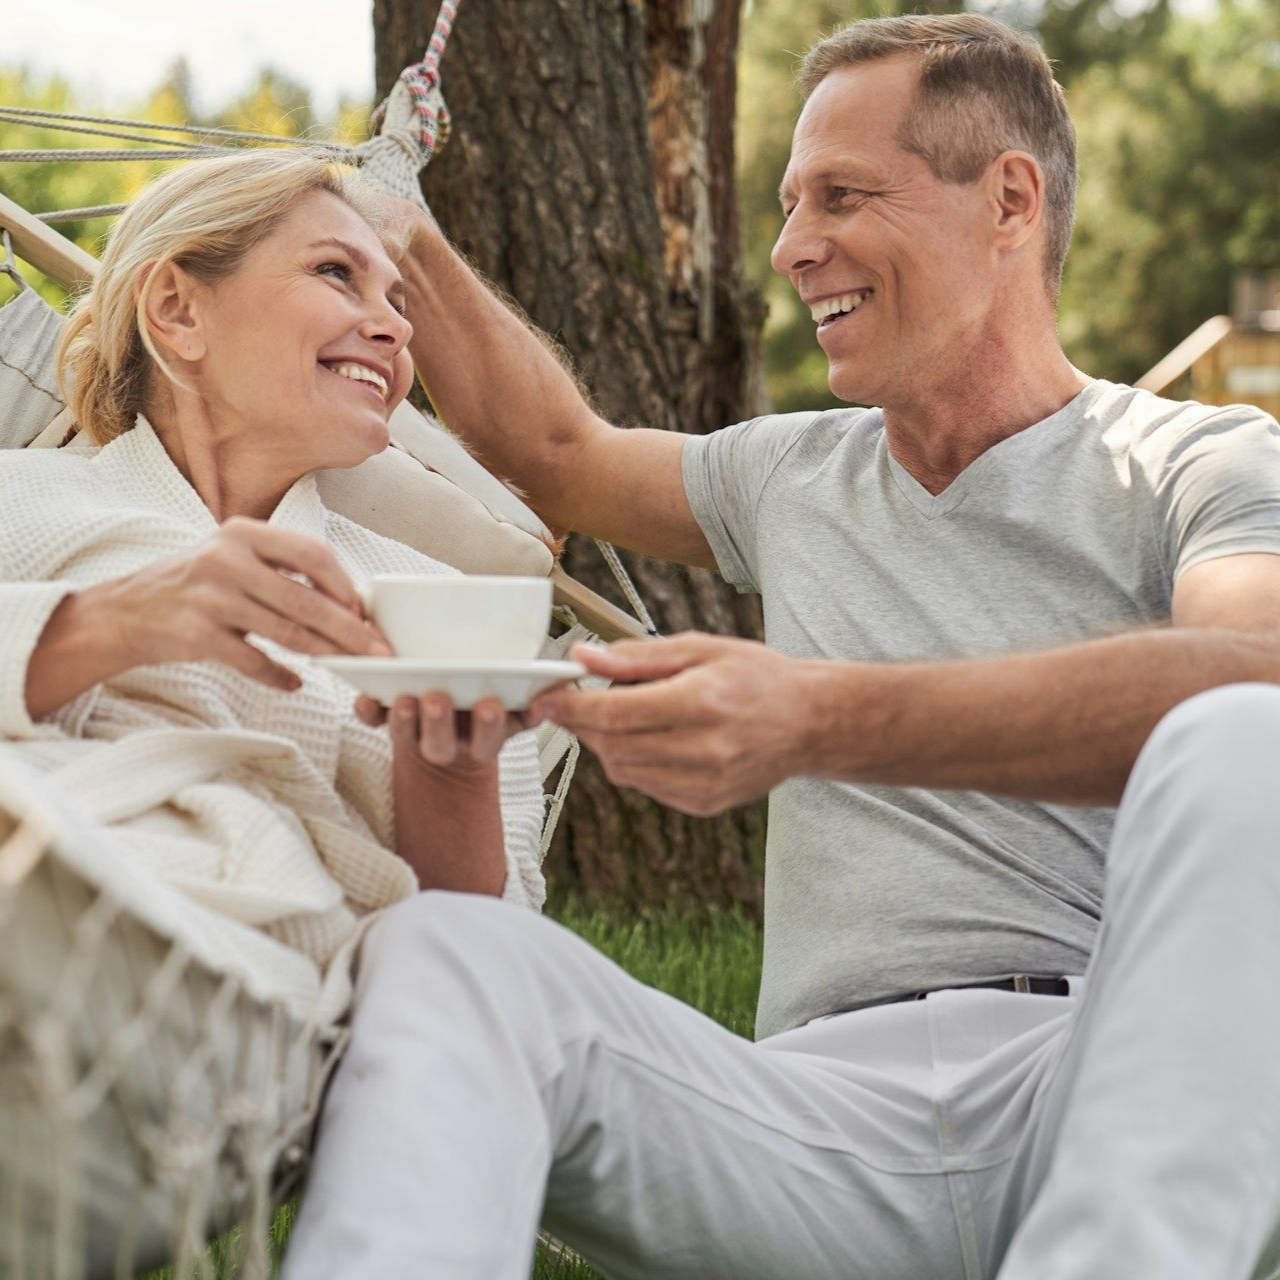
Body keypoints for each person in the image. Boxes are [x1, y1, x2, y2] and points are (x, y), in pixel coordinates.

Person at [281, 12, 1280, 1280]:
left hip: (1098, 1076)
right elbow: (555, 452)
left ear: (1009, 201)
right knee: (446, 952)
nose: (792, 246)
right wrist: (403, 234)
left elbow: (1253, 672)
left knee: (1252, 734)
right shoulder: (787, 473)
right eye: (789, 202)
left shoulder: (1192, 461)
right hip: (808, 1120)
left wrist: (817, 718)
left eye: (843, 195)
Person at [0, 148, 545, 1064]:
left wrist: (448, 771)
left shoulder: (441, 610)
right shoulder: (22, 499)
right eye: (337, 274)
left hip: (243, 1007)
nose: (390, 329)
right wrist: (113, 624)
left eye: (398, 303)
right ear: (177, 310)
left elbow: (485, 950)